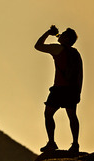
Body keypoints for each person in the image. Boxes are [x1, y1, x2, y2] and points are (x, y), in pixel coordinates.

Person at [35, 25, 83, 153]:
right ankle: (75, 145)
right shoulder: (75, 53)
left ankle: (51, 143)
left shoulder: (57, 49)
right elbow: (79, 74)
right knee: (72, 115)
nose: (60, 35)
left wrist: (48, 33)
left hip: (59, 89)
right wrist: (57, 35)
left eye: (62, 35)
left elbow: (38, 46)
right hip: (72, 89)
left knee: (48, 114)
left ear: (66, 39)